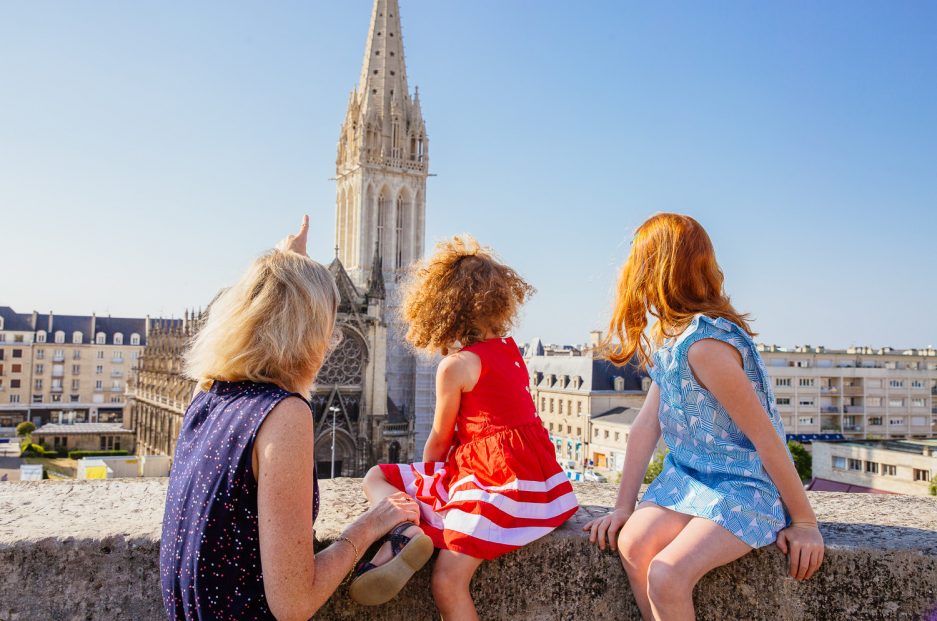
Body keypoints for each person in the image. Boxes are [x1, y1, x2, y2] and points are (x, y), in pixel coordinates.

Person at [160, 216, 421, 621]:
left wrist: (283, 267)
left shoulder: (206, 392)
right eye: (329, 329)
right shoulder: (284, 415)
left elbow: (256, 306)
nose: (332, 343)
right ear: (307, 333)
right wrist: (369, 525)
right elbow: (294, 603)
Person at [583, 213, 824, 621]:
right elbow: (646, 426)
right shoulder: (674, 340)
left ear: (650, 272)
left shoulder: (706, 347)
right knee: (633, 544)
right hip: (691, 480)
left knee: (666, 574)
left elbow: (765, 436)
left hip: (743, 487)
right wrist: (623, 507)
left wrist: (804, 521)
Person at [351, 236, 579, 621]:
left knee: (443, 576)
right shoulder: (512, 352)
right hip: (539, 485)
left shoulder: (456, 365)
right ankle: (406, 532)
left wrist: (429, 477)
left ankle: (403, 529)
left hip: (498, 487)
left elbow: (440, 439)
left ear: (442, 308)